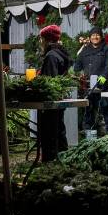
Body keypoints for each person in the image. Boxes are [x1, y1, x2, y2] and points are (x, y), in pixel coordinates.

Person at [73, 27, 108, 136]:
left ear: (101, 36)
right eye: (92, 35)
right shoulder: (86, 50)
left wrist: (104, 76)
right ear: (90, 37)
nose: (95, 37)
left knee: (105, 106)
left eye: (97, 35)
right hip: (88, 84)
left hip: (102, 84)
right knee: (89, 107)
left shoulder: (107, 48)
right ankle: (88, 130)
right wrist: (79, 74)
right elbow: (77, 66)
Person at [38, 24, 70, 161]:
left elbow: (50, 82)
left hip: (50, 102)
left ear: (47, 39)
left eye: (42, 39)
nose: (40, 42)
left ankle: (49, 163)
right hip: (59, 99)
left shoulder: (51, 56)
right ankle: (63, 160)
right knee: (58, 131)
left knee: (49, 133)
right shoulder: (60, 53)